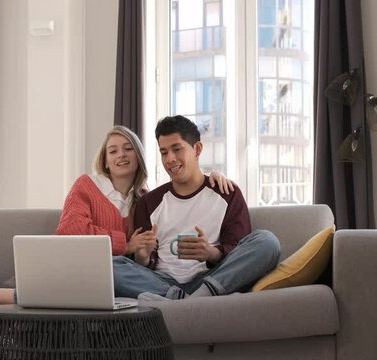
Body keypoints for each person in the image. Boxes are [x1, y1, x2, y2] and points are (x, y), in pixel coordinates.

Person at [0, 125, 235, 326]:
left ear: (138, 156)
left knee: (113, 271)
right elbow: (69, 232)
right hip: (77, 269)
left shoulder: (146, 201)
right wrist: (126, 244)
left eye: (127, 149)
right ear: (106, 160)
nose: (121, 155)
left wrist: (210, 175)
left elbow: (145, 258)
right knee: (104, 270)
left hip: (116, 279)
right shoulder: (86, 185)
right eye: (113, 151)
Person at [112, 115, 281, 300]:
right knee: (110, 266)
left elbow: (238, 248)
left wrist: (211, 252)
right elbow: (146, 262)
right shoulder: (149, 202)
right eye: (164, 152)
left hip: (210, 278)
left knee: (267, 241)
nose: (170, 159)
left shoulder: (227, 193)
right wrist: (143, 257)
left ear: (197, 149)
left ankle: (198, 297)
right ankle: (182, 300)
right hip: (162, 281)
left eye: (177, 149)